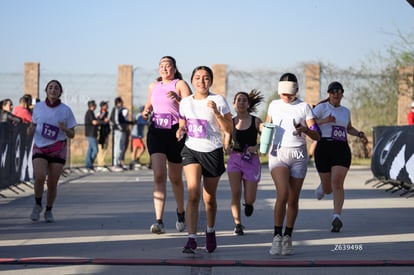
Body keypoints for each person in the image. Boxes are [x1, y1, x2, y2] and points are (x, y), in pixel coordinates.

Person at [177, 65, 233, 253]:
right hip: (191, 149)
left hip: (212, 151)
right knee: (193, 194)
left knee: (209, 198)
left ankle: (210, 230)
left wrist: (216, 112)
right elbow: (183, 121)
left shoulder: (218, 100)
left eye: (206, 78)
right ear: (192, 80)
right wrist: (180, 129)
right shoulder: (185, 102)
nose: (202, 81)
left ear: (211, 81)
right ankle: (191, 238)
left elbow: (228, 129)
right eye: (198, 78)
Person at [266, 73, 320, 256]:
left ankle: (288, 236)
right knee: (283, 193)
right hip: (278, 154)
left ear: (296, 90)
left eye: (289, 94)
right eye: (283, 94)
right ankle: (276, 236)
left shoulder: (304, 107)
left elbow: (317, 134)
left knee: (293, 198)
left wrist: (306, 129)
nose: (286, 98)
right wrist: (263, 133)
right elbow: (267, 126)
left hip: (298, 155)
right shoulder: (274, 105)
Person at [142, 56, 192, 234]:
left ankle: (180, 212)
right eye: (161, 66)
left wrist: (177, 99)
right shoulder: (153, 86)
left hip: (175, 133)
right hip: (156, 132)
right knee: (159, 175)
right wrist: (146, 111)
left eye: (168, 65)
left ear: (174, 68)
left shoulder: (180, 84)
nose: (164, 69)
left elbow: (190, 107)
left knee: (176, 178)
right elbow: (148, 106)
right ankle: (159, 221)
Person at [313, 81, 368, 233]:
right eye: (333, 91)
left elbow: (348, 128)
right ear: (329, 94)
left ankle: (336, 217)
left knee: (337, 182)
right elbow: (309, 123)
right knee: (328, 188)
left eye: (339, 91)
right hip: (324, 146)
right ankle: (323, 186)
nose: (336, 94)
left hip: (341, 148)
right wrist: (325, 120)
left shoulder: (345, 111)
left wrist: (359, 134)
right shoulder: (321, 108)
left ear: (342, 94)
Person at [27, 80, 77, 223]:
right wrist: (30, 130)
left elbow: (72, 134)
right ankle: (37, 204)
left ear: (60, 92)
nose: (53, 90)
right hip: (40, 146)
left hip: (57, 148)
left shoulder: (65, 110)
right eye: (50, 87)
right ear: (46, 90)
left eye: (56, 88)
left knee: (52, 183)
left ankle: (48, 210)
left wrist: (65, 128)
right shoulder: (38, 107)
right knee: (40, 176)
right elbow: (31, 127)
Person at [225, 89, 264, 236]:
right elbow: (226, 141)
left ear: (248, 104)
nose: (241, 103)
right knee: (235, 193)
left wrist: (257, 147)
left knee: (250, 197)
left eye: (244, 100)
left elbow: (266, 137)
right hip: (235, 159)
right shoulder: (231, 121)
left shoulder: (256, 121)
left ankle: (248, 204)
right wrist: (226, 148)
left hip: (251, 161)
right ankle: (238, 224)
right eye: (238, 100)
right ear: (234, 104)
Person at [110, 97, 133, 170]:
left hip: (123, 131)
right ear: (118, 102)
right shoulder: (116, 109)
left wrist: (131, 122)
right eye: (121, 102)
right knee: (117, 147)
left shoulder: (121, 110)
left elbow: (123, 121)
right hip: (118, 131)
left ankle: (119, 162)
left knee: (122, 147)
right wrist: (120, 128)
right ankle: (115, 164)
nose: (122, 103)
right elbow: (116, 120)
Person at [84, 100, 99, 172]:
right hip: (90, 134)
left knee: (90, 150)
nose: (96, 106)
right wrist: (101, 121)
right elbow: (94, 122)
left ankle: (88, 166)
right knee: (95, 150)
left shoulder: (92, 113)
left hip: (93, 134)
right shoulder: (89, 113)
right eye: (94, 105)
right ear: (92, 106)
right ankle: (89, 165)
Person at [96, 101, 111, 171]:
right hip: (102, 133)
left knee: (105, 148)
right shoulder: (101, 113)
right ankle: (100, 165)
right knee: (101, 148)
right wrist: (105, 121)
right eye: (106, 105)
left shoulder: (106, 113)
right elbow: (98, 121)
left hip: (106, 132)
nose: (107, 106)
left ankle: (102, 163)